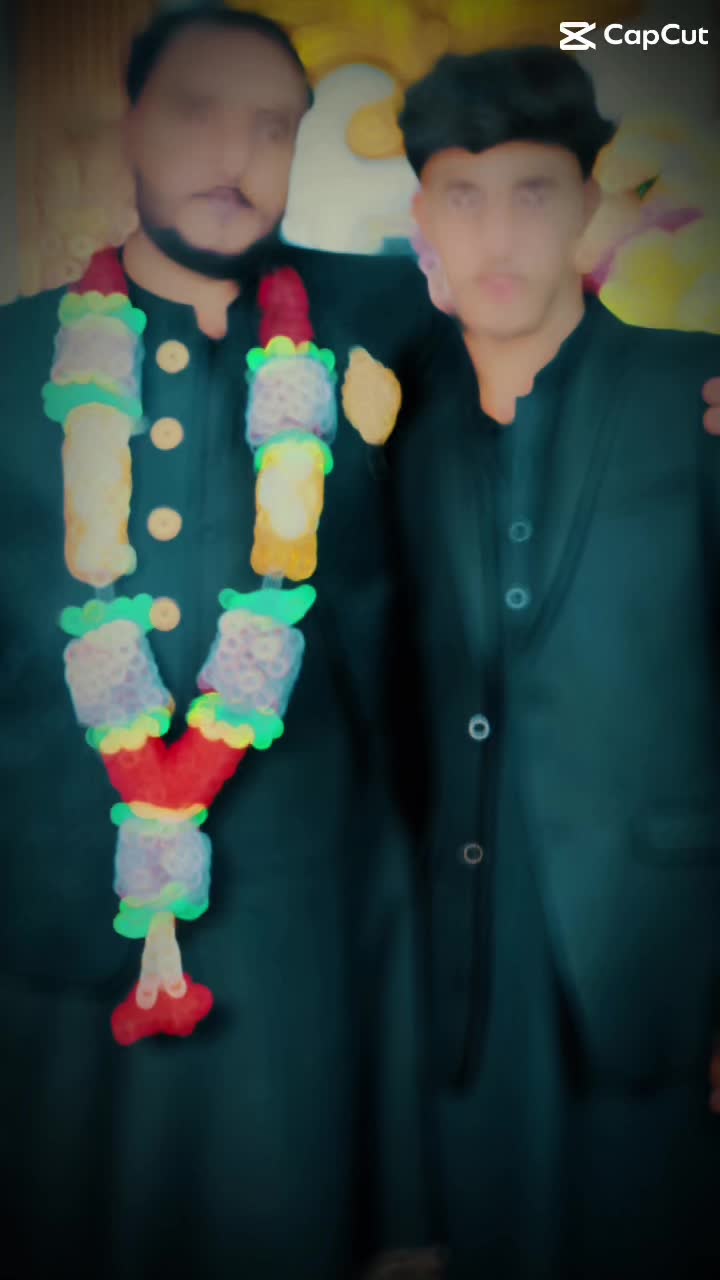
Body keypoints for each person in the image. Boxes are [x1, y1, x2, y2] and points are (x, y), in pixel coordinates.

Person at [0, 10, 437, 1278]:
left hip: (300, 941)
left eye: (271, 126)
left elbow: (549, 375)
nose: (235, 153)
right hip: (51, 933)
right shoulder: (15, 357)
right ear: (129, 127)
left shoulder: (385, 326)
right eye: (198, 112)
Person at [388, 45, 720, 1280]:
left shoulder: (693, 393)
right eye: (463, 196)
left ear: (587, 199)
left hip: (659, 953)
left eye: (533, 191)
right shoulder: (393, 419)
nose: (498, 233)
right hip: (462, 971)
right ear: (423, 216)